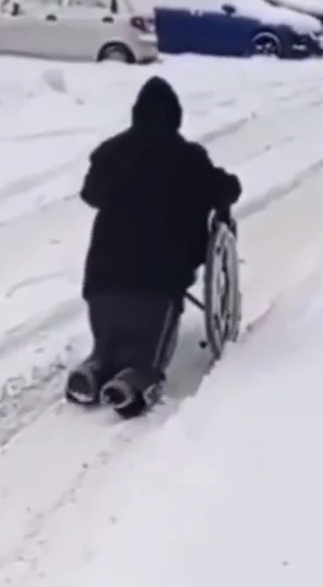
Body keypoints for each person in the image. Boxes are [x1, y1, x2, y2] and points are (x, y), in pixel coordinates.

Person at [66, 76, 242, 410]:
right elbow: (224, 190)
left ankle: (95, 368)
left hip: (102, 278)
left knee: (107, 341)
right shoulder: (188, 159)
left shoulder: (111, 153)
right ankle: (133, 383)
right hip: (157, 284)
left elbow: (91, 194)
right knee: (146, 355)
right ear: (176, 117)